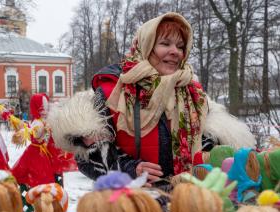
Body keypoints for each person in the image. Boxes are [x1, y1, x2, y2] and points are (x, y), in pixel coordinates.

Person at [49, 12, 254, 186]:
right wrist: (130, 170)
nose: (175, 51)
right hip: (136, 208)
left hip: (189, 205)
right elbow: (86, 160)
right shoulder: (114, 92)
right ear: (146, 46)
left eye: (180, 46)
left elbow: (209, 150)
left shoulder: (194, 94)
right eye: (165, 43)